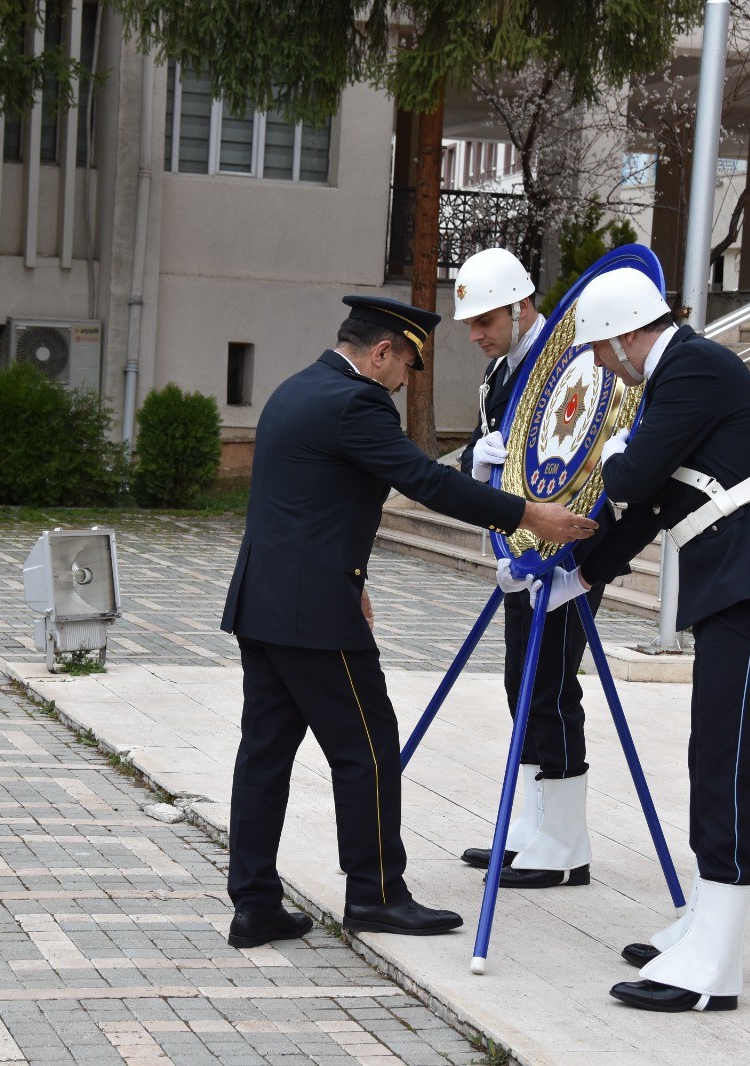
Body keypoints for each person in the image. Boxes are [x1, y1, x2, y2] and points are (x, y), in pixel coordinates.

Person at [220, 294, 598, 949]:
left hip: (264, 603)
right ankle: (377, 895)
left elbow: (314, 499)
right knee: (366, 751)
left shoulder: (294, 389)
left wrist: (354, 574)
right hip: (314, 615)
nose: (404, 382)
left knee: (264, 757)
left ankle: (254, 906)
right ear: (381, 351)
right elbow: (428, 483)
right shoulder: (357, 402)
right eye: (406, 367)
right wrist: (528, 515)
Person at [530, 264, 750, 1012]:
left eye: (602, 352)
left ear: (630, 333)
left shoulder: (693, 366)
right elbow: (653, 508)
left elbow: (633, 478)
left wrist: (610, 451)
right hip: (740, 588)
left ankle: (715, 965)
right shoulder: (680, 380)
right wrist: (579, 575)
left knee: (728, 765)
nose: (605, 368)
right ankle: (704, 919)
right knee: (713, 757)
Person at [452, 248, 614, 890]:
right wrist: (480, 463)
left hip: (572, 552)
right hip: (519, 553)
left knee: (550, 684)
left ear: (521, 309)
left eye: (484, 321)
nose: (475, 335)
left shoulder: (574, 361)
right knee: (521, 683)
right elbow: (484, 453)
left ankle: (567, 841)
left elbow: (594, 444)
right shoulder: (500, 374)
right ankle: (531, 823)